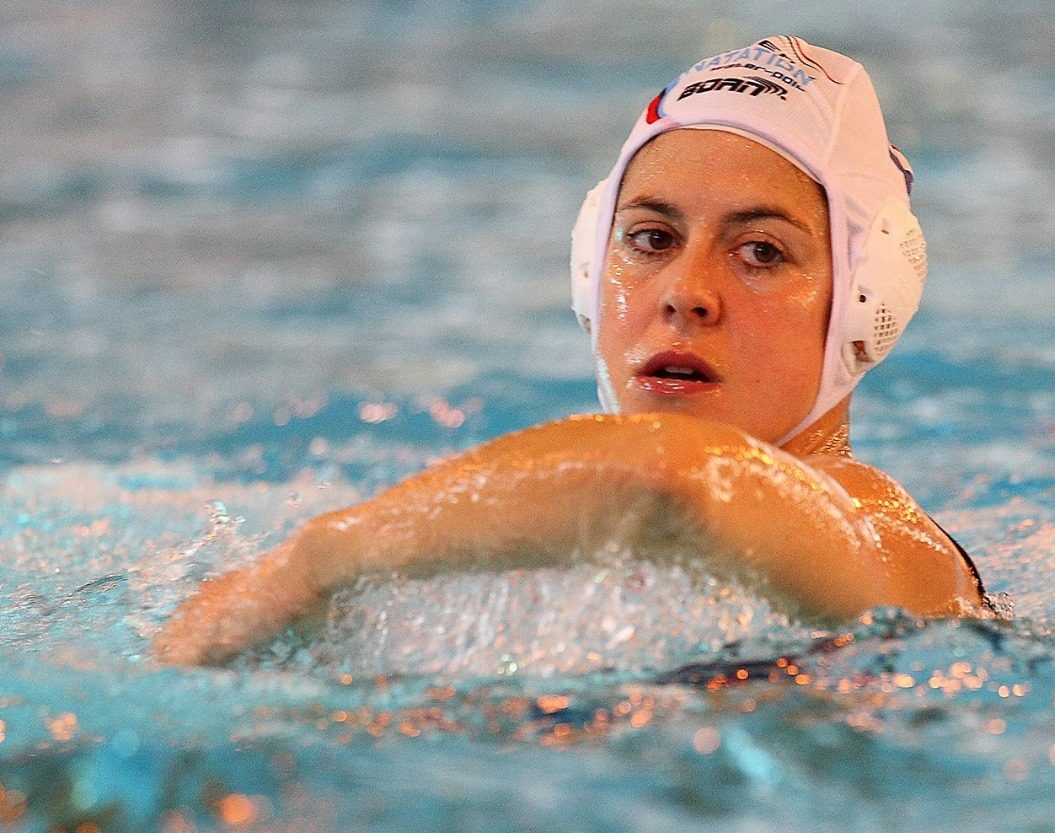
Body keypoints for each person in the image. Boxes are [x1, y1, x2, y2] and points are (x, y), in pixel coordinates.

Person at [154, 35, 987, 666]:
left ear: (869, 298)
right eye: (651, 238)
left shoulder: (888, 543)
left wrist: (311, 564)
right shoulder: (538, 529)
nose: (685, 292)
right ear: (592, 268)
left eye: (760, 251)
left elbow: (673, 478)